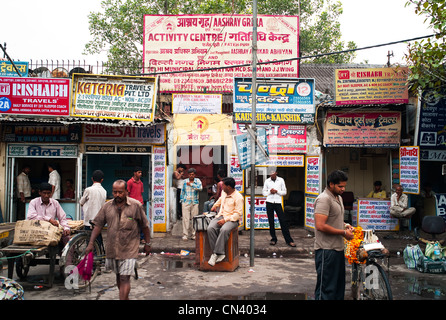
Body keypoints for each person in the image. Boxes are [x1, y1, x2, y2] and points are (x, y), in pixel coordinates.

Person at [85, 180, 151, 300]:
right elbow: (98, 225)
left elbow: (145, 226)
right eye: (115, 192)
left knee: (125, 278)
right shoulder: (107, 206)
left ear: (126, 191)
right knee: (119, 276)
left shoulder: (136, 205)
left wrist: (148, 243)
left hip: (129, 248)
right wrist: (90, 244)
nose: (117, 195)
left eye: (120, 192)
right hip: (112, 248)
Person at [314, 170, 354, 300]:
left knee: (337, 288)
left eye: (344, 186)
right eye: (340, 186)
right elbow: (320, 225)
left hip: (338, 249)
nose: (343, 189)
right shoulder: (324, 199)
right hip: (326, 250)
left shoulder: (338, 198)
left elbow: (334, 219)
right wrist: (343, 233)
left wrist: (345, 225)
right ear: (331, 184)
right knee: (326, 290)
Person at [207, 177, 243, 266]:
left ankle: (215, 254)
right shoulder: (224, 192)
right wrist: (215, 205)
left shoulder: (238, 197)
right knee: (210, 228)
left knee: (224, 229)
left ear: (229, 187)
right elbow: (220, 200)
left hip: (232, 219)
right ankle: (220, 253)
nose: (221, 187)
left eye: (223, 185)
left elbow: (238, 214)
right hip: (221, 216)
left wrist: (225, 220)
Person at [262, 168, 296, 247]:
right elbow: (264, 192)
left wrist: (277, 191)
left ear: (276, 173)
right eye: (270, 172)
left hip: (278, 203)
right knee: (271, 221)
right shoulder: (267, 181)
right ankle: (273, 239)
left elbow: (284, 192)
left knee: (283, 221)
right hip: (269, 202)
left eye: (273, 172)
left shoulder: (281, 180)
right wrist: (269, 192)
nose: (271, 174)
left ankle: (289, 240)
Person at [180, 168, 202, 240]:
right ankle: (185, 235)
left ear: (194, 175)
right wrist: (182, 200)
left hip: (195, 202)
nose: (191, 176)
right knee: (185, 219)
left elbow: (200, 188)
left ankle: (194, 235)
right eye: (190, 174)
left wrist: (191, 185)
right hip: (186, 202)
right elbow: (182, 192)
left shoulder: (197, 181)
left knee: (194, 219)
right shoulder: (184, 182)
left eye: (192, 174)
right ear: (188, 175)